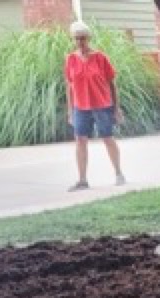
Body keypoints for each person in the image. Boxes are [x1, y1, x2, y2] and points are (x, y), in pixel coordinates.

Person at [65, 21, 125, 191]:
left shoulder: (100, 58)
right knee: (80, 140)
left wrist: (116, 107)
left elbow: (112, 84)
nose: (80, 42)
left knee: (107, 138)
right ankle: (82, 180)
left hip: (102, 104)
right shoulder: (70, 59)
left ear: (88, 38)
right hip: (80, 106)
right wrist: (70, 110)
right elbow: (69, 86)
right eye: (76, 39)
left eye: (82, 38)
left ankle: (119, 173)